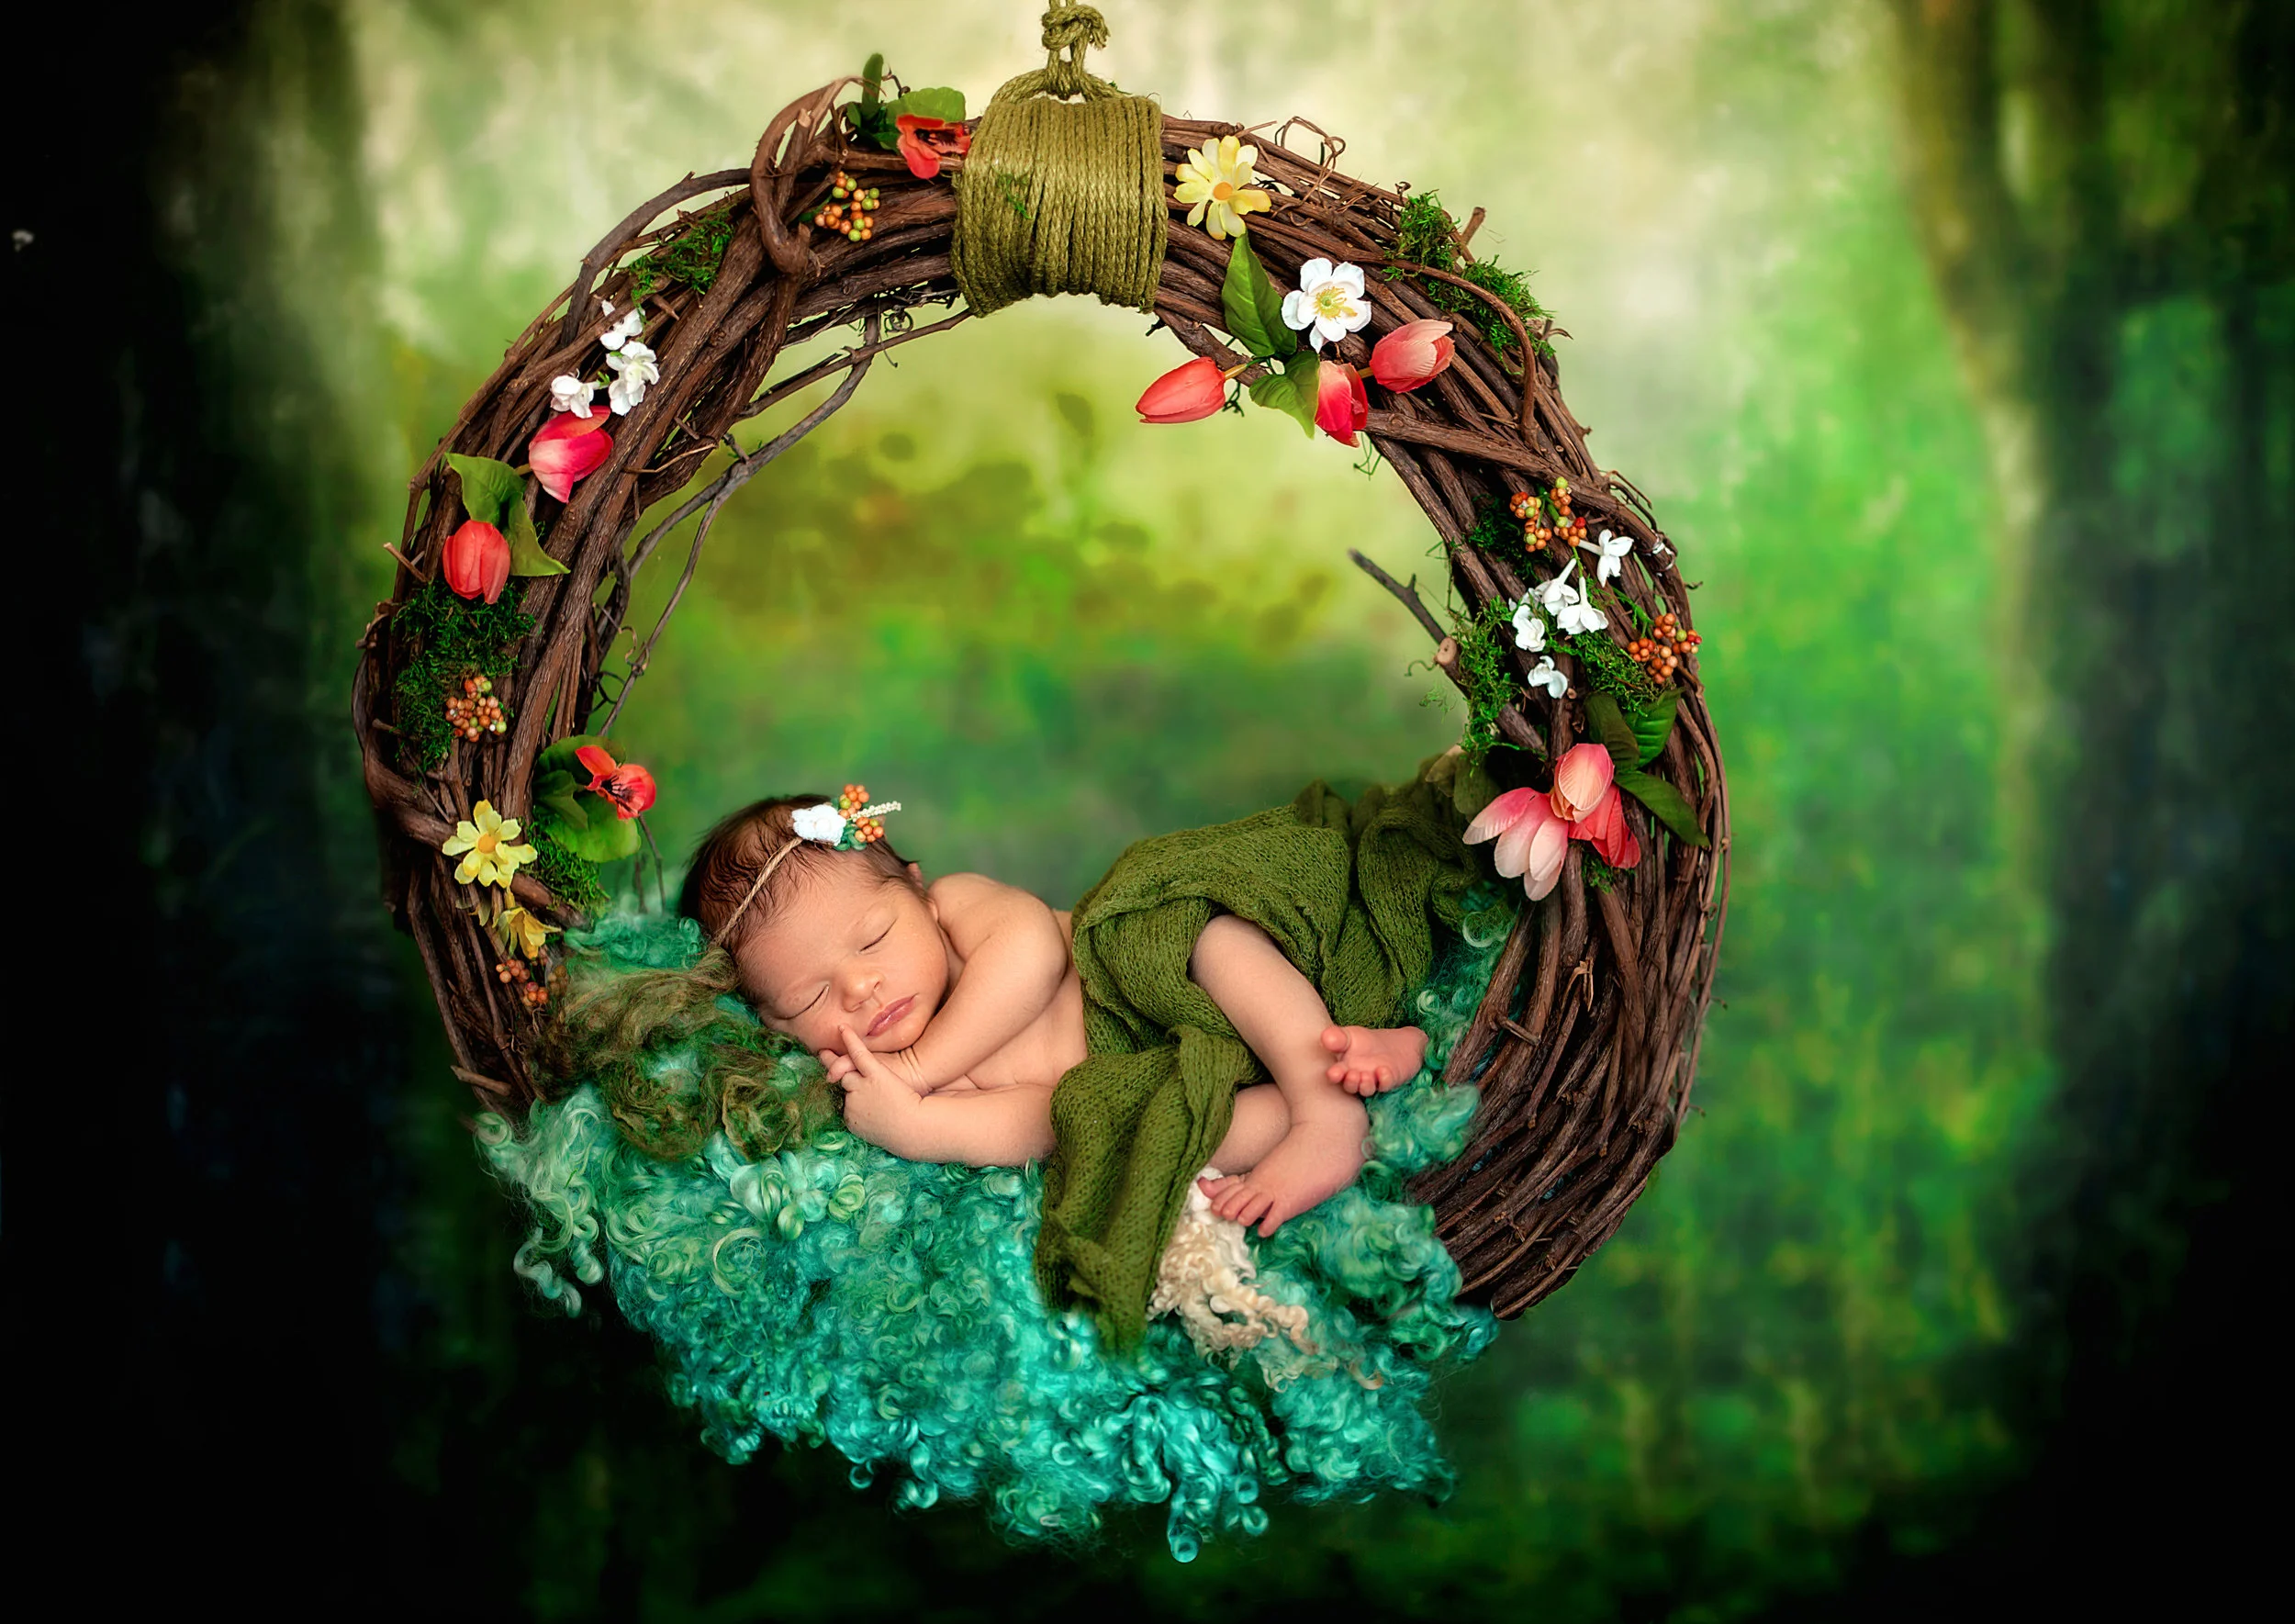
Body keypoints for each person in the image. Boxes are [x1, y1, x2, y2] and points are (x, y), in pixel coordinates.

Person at [680, 790, 1431, 1238]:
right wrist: (920, 1124)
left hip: (1172, 982)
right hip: (1172, 1065)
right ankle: (1365, 1062)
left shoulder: (957, 913)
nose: (860, 986)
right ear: (775, 1029)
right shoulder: (895, 1087)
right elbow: (1043, 1122)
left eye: (874, 937)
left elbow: (1034, 953)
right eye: (809, 997)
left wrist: (920, 1070)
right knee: (1140, 1126)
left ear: (917, 889)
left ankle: (1326, 1113)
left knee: (1198, 935)